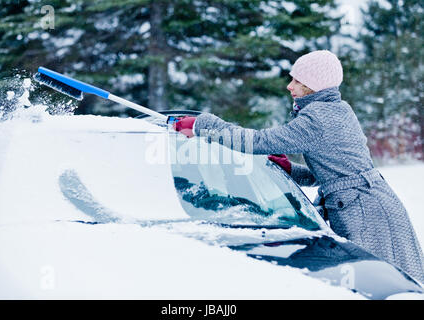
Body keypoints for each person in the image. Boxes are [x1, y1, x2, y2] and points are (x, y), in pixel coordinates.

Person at [171, 50, 424, 283]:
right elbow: (332, 174)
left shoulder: (317, 118)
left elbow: (259, 141)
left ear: (313, 85)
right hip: (373, 202)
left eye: (297, 81)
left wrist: (203, 126)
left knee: (374, 283)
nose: (289, 86)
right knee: (388, 281)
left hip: (364, 213)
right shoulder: (339, 109)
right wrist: (291, 171)